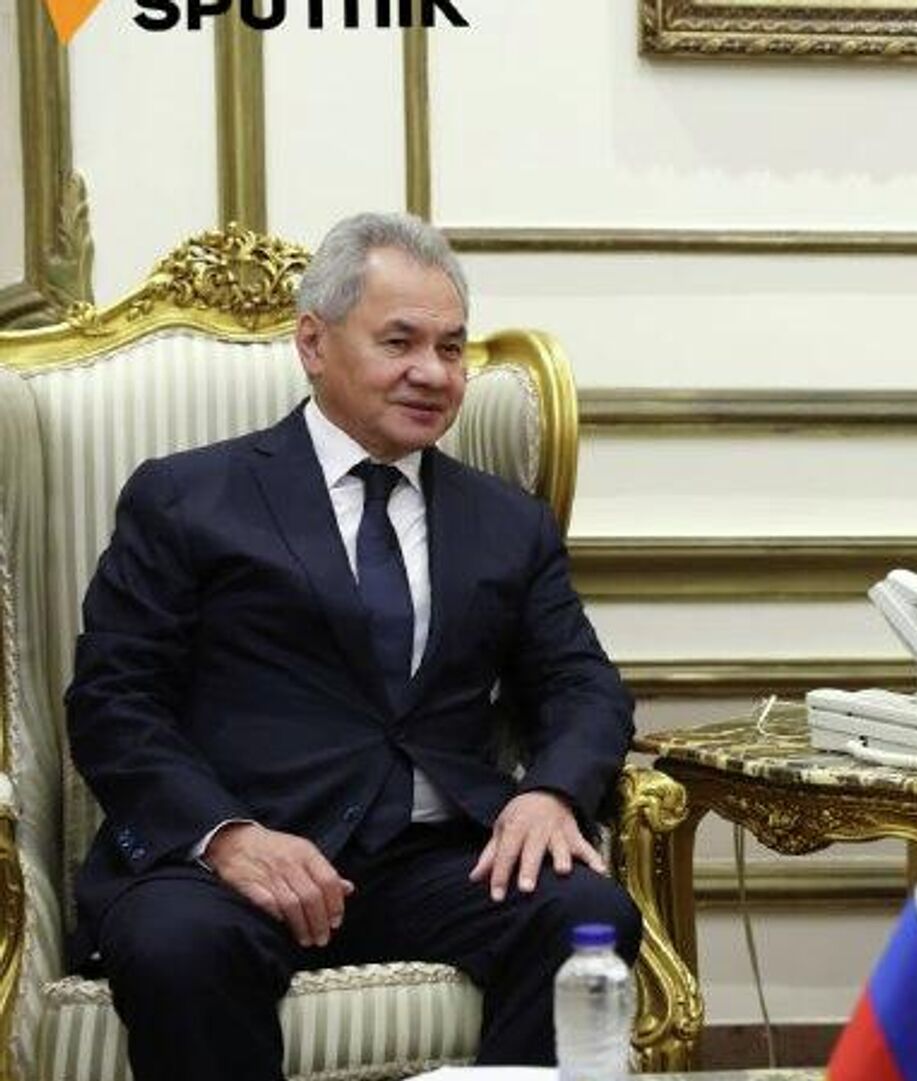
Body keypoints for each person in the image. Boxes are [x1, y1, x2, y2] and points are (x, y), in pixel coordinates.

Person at [65, 212, 640, 1081]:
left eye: (451, 348)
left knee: (582, 912)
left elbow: (582, 683)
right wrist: (227, 836)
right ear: (313, 343)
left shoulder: (505, 521)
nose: (432, 372)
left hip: (431, 862)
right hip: (233, 859)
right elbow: (113, 700)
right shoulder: (188, 497)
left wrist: (551, 792)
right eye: (399, 341)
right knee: (178, 946)